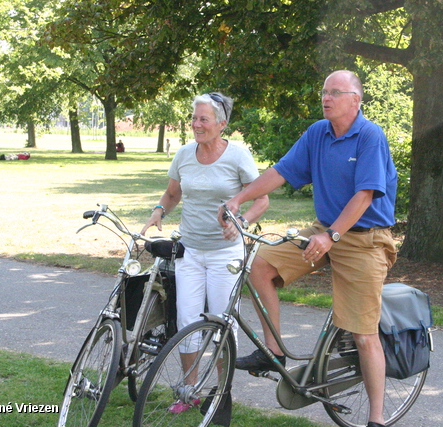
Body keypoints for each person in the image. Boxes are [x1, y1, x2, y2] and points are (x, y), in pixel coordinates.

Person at [219, 70, 398, 427]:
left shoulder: (370, 136)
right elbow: (281, 172)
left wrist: (331, 236)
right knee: (260, 265)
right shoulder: (318, 132)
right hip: (324, 230)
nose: (326, 98)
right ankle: (273, 351)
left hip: (364, 239)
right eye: (323, 91)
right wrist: (238, 198)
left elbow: (364, 196)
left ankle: (376, 419)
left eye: (335, 92)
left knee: (364, 335)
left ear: (355, 99)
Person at [141, 92, 269, 415]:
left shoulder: (238, 155)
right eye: (194, 118)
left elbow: (262, 201)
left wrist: (240, 221)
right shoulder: (184, 155)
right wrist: (159, 210)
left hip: (226, 253)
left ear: (221, 124)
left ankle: (222, 393)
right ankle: (188, 390)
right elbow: (172, 193)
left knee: (223, 322)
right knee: (187, 320)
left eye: (203, 119)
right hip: (191, 251)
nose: (196, 124)